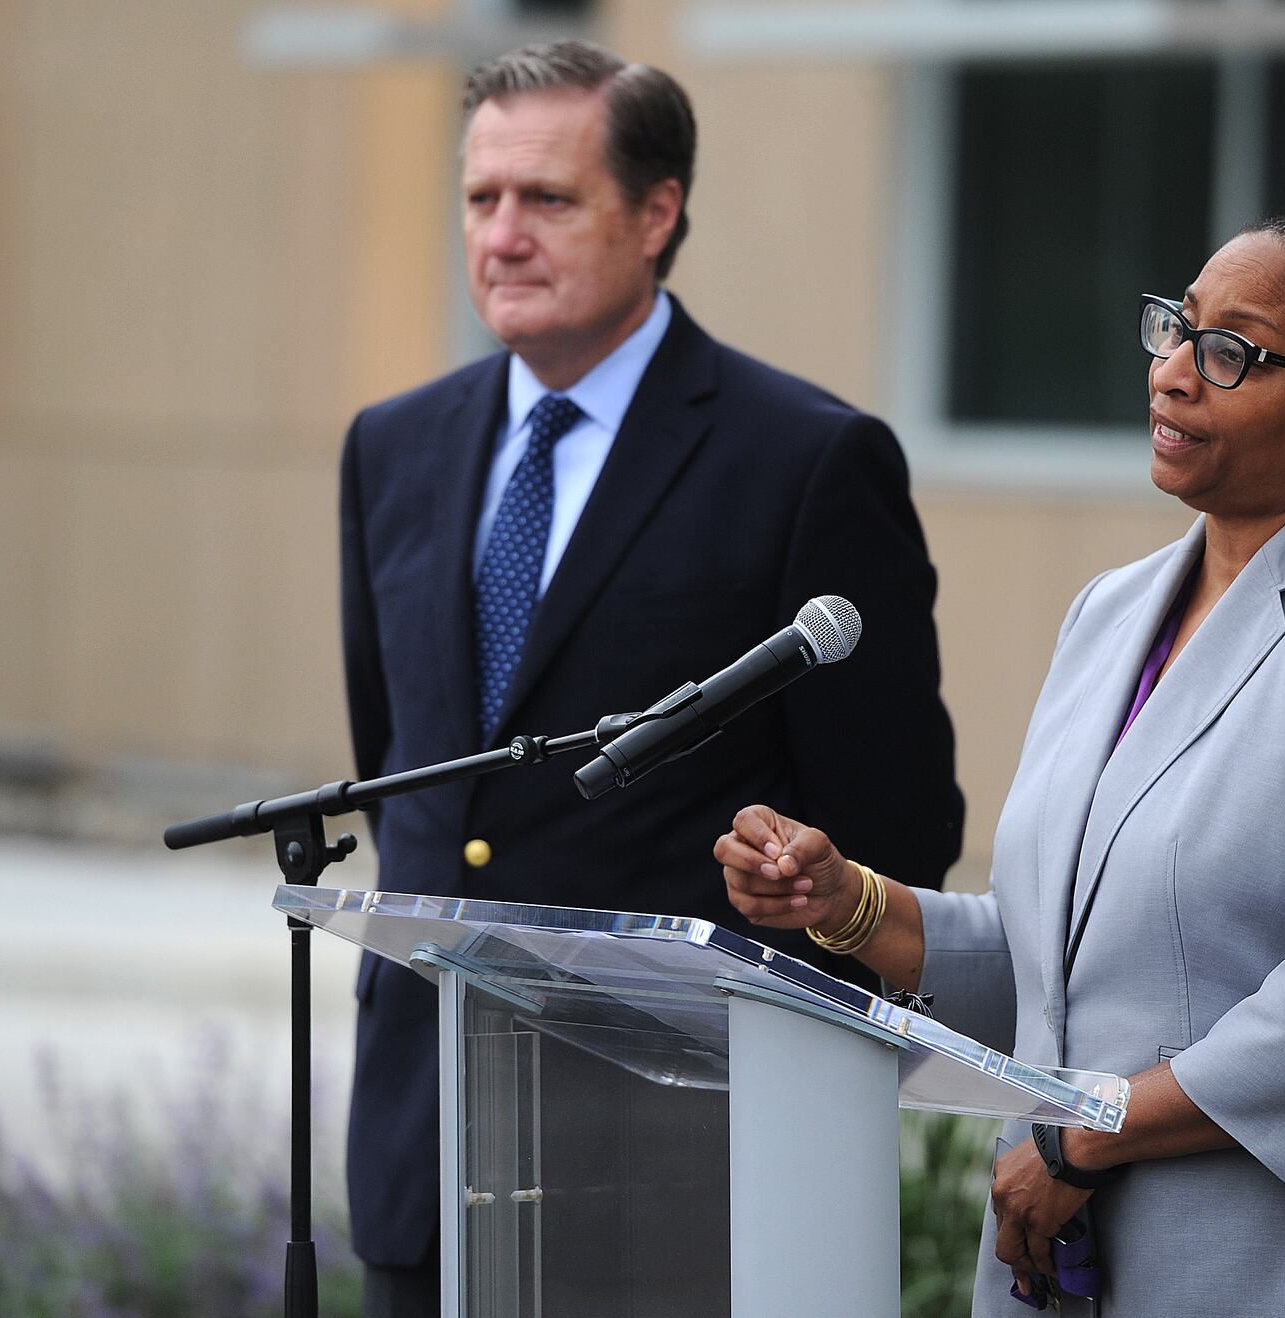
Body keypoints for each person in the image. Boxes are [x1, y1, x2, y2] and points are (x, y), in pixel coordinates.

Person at [718, 217, 1285, 1315]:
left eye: (1234, 354)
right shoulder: (1111, 610)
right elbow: (1067, 956)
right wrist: (847, 906)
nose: (1175, 374)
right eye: (1179, 328)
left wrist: (1084, 1136)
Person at [339, 39, 963, 1312]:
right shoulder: (390, 448)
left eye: (546, 199)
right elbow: (419, 777)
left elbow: (897, 828)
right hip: (424, 1138)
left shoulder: (806, 459)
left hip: (674, 1170)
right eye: (480, 198)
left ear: (657, 210)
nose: (502, 235)